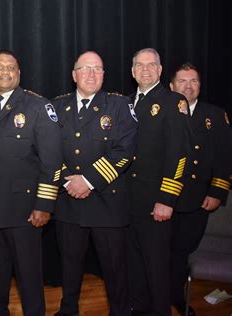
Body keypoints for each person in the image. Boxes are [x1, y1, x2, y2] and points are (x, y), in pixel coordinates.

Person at [0, 49, 62, 316]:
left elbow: (52, 161)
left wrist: (44, 204)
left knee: (29, 278)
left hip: (25, 212)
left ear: (19, 73)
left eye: (11, 67)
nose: (5, 72)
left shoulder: (37, 107)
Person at [51, 51, 137, 316]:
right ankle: (68, 311)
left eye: (97, 69)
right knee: (69, 266)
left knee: (115, 270)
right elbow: (48, 150)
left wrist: (88, 181)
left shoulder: (120, 106)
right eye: (85, 69)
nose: (90, 74)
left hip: (107, 204)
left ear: (104, 75)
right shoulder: (55, 107)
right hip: (68, 201)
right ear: (74, 74)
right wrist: (69, 182)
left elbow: (125, 152)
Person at [126, 48, 190, 316]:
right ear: (132, 71)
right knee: (135, 266)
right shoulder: (127, 103)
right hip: (128, 202)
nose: (145, 69)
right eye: (139, 65)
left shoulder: (173, 102)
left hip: (156, 203)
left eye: (151, 65)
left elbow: (179, 155)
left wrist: (167, 199)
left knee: (157, 268)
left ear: (160, 70)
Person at [169, 62, 231, 316]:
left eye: (193, 81)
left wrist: (217, 192)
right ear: (171, 86)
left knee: (181, 253)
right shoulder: (159, 111)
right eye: (182, 81)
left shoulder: (214, 115)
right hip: (162, 198)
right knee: (157, 252)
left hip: (196, 200)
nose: (188, 86)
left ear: (200, 85)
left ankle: (175, 297)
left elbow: (225, 157)